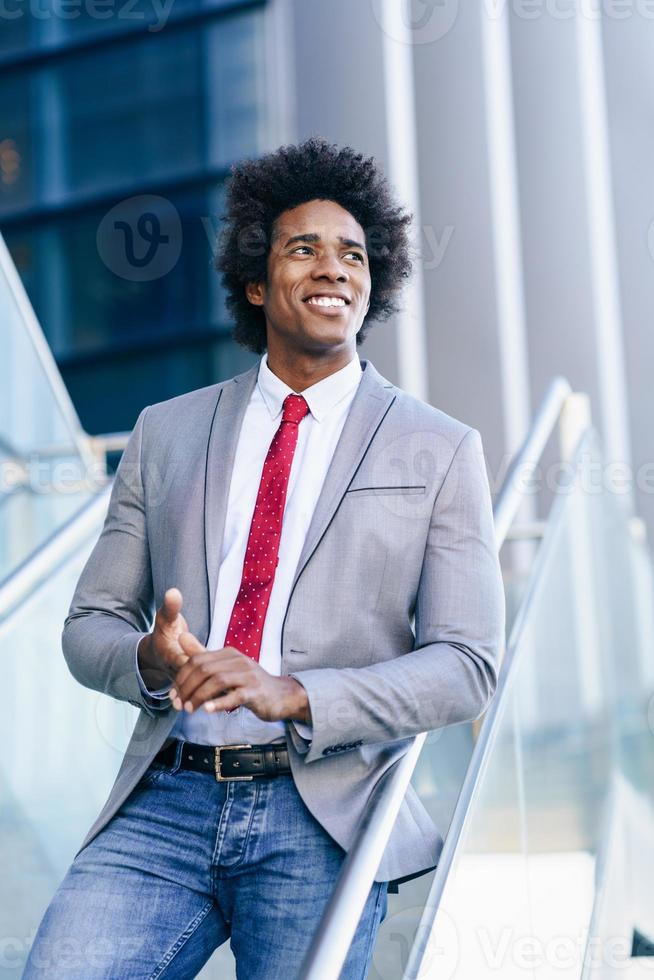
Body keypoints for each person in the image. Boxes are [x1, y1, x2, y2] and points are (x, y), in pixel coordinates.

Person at [23, 136, 505, 979]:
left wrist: (298, 694)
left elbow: (468, 665)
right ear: (256, 282)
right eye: (304, 248)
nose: (333, 266)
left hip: (324, 812)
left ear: (371, 284)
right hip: (165, 799)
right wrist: (147, 657)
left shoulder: (439, 448)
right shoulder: (165, 432)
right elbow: (87, 625)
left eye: (353, 253)